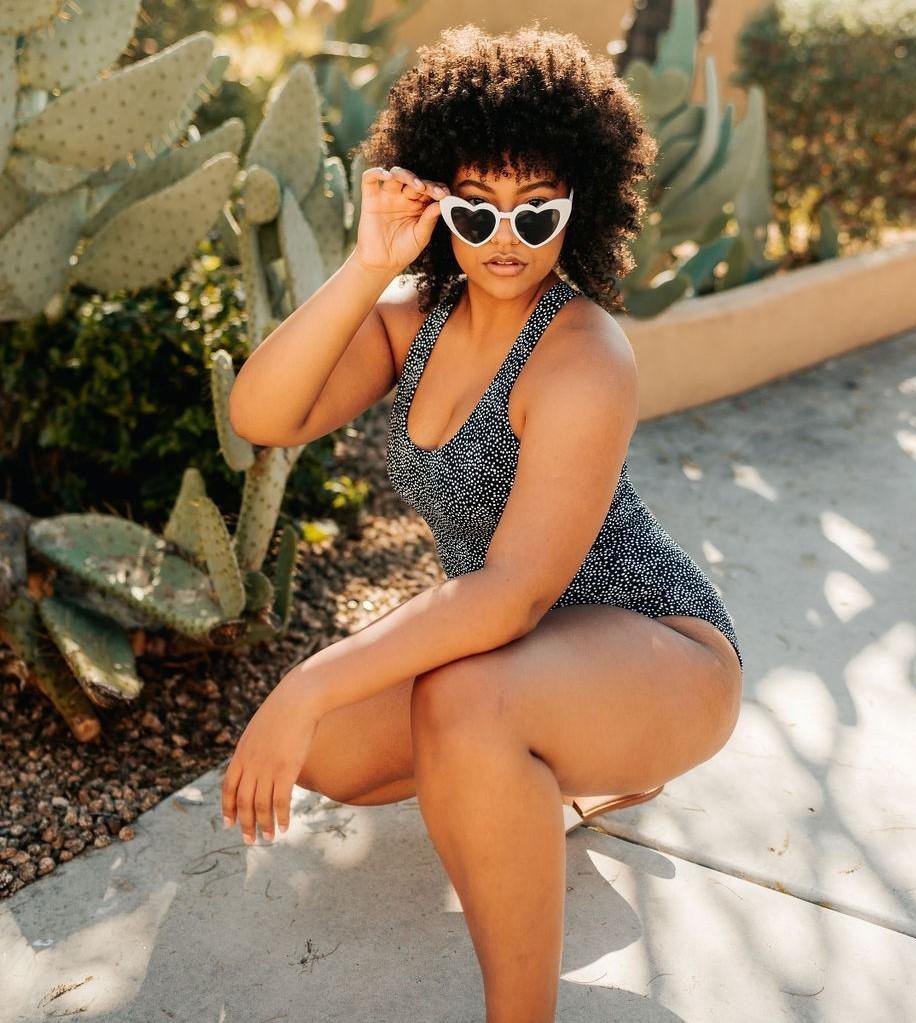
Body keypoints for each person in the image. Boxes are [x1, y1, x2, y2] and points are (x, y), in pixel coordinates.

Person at [222, 22, 743, 1022]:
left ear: (580, 206)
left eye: (536, 211)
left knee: (464, 705)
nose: (507, 236)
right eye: (476, 207)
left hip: (660, 649)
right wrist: (368, 264)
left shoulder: (583, 353)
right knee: (330, 747)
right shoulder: (412, 322)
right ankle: (546, 779)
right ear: (438, 202)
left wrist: (306, 677)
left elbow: (510, 594)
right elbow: (261, 415)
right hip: (515, 652)